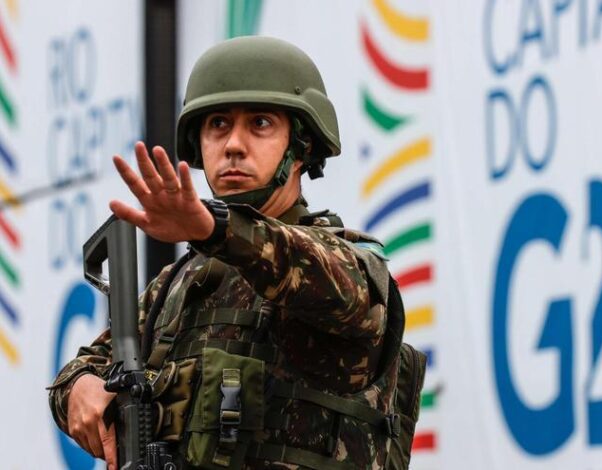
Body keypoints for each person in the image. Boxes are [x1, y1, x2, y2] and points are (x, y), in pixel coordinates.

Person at [48, 36, 420, 470]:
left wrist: (216, 228)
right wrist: (79, 388)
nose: (234, 145)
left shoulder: (345, 262)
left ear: (301, 147)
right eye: (218, 125)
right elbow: (85, 368)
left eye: (260, 123)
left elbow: (326, 280)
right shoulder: (177, 284)